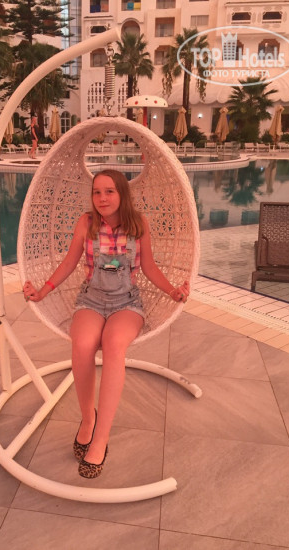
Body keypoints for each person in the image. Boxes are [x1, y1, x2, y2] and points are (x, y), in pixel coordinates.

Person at [23, 169, 190, 479]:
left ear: (122, 194)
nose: (102, 198)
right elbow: (69, 262)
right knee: (83, 344)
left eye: (109, 191)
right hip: (91, 299)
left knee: (114, 347)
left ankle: (101, 437)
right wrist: (43, 291)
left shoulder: (138, 225)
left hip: (127, 303)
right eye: (97, 192)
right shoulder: (86, 223)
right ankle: (88, 418)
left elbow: (150, 267)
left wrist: (172, 292)